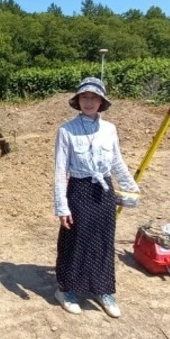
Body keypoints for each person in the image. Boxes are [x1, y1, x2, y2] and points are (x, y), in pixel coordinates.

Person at [53, 76, 140, 318]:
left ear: (102, 101)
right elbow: (61, 171)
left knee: (103, 241)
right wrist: (62, 207)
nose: (89, 102)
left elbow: (116, 162)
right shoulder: (66, 131)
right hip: (78, 191)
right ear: (78, 100)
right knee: (75, 241)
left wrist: (131, 186)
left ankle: (103, 290)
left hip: (104, 192)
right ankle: (66, 290)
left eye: (94, 97)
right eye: (84, 97)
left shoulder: (109, 129)